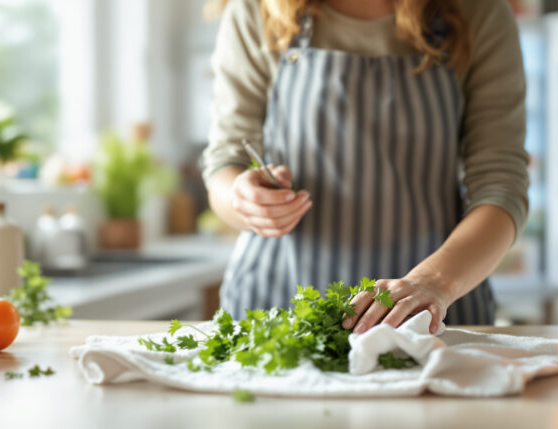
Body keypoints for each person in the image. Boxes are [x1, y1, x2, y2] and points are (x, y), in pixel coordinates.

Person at [203, 0, 529, 334]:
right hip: (280, 312)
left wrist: (432, 284)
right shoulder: (258, 10)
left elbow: (501, 184)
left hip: (431, 320)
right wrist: (243, 199)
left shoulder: (478, 11)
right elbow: (226, 164)